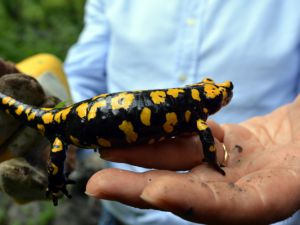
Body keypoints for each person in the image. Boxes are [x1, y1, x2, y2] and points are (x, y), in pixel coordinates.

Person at [64, 0, 300, 224]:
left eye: (225, 92)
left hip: (261, 198)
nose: (225, 96)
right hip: (126, 209)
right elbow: (84, 73)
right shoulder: (199, 120)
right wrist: (64, 127)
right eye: (221, 94)